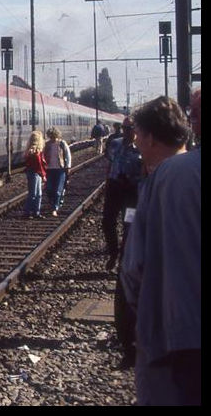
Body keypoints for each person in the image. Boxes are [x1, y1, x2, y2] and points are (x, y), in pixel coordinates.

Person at [121, 93, 198, 405]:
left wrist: (143, 316)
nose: (135, 141)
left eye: (138, 134)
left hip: (176, 334)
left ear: (151, 137)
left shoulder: (164, 178)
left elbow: (134, 268)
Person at [103, 118, 143, 268]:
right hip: (114, 188)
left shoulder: (142, 147)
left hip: (131, 192)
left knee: (129, 224)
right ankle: (113, 252)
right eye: (124, 128)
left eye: (129, 128)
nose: (125, 131)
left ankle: (123, 258)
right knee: (107, 221)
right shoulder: (115, 143)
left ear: (136, 129)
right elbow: (109, 162)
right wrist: (109, 179)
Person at [43, 127, 71, 217]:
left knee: (58, 190)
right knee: (49, 189)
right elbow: (43, 155)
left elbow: (68, 155)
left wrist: (68, 167)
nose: (52, 138)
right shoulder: (47, 145)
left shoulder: (62, 143)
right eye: (51, 137)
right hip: (49, 170)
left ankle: (54, 208)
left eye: (54, 136)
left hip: (60, 169)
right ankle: (53, 203)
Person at [22, 130, 47, 218]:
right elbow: (39, 165)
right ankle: (28, 212)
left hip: (35, 173)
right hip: (35, 174)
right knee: (34, 194)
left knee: (37, 194)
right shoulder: (35, 153)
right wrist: (43, 175)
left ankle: (36, 211)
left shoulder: (32, 151)